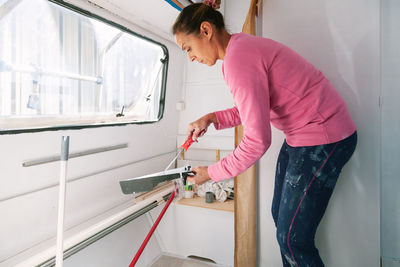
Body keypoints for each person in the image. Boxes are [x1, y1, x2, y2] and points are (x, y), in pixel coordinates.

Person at [172, 1, 357, 266]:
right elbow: (251, 109)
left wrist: (210, 173)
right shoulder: (237, 52)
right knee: (281, 221)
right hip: (303, 135)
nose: (190, 57)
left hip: (325, 135)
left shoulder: (238, 58)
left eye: (188, 48)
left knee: (293, 239)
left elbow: (257, 141)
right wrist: (211, 119)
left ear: (205, 30)